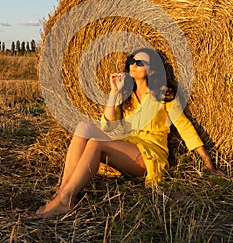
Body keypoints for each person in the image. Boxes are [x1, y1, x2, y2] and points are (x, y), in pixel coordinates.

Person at [35, 48, 225, 218]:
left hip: (150, 153)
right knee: (84, 127)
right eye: (131, 61)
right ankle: (62, 191)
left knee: (95, 143)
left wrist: (207, 162)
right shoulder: (127, 96)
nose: (134, 65)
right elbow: (107, 126)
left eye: (140, 62)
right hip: (127, 145)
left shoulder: (163, 94)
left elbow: (185, 127)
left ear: (151, 70)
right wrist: (113, 92)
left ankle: (65, 200)